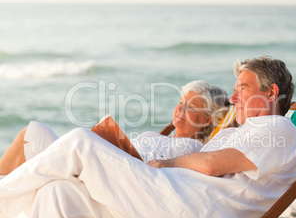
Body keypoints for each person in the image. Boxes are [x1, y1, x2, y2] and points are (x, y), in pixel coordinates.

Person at [0, 56, 296, 218]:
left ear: (271, 92)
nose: (234, 96)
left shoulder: (278, 129)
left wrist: (165, 163)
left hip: (191, 216)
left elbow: (211, 165)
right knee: (58, 193)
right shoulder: (240, 132)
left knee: (81, 140)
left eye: (243, 88)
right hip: (169, 203)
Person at [0, 79, 230, 175]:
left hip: (104, 176)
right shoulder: (167, 140)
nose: (179, 110)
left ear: (208, 119)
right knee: (32, 132)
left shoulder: (190, 150)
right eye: (180, 103)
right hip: (95, 164)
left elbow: (147, 172)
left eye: (190, 107)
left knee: (36, 135)